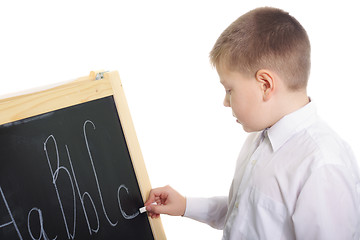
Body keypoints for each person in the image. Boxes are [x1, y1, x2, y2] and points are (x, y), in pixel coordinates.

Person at [144, 7, 360, 239]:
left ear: (265, 85)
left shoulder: (322, 166)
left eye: (229, 90)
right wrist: (186, 206)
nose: (225, 102)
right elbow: (247, 211)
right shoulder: (258, 140)